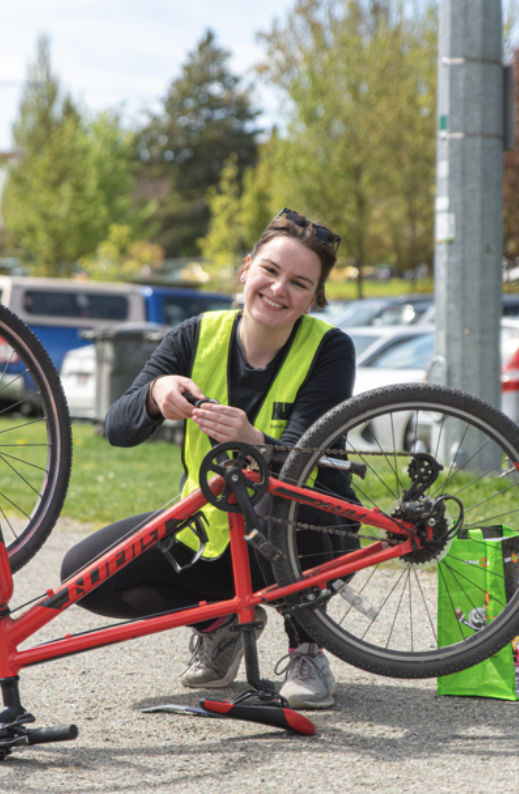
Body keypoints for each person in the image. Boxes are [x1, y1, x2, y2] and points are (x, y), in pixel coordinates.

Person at [60, 209, 357, 709]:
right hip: (213, 532)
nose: (279, 289)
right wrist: (155, 392)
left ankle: (307, 647)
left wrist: (255, 440)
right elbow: (118, 428)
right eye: (270, 271)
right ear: (246, 269)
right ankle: (220, 625)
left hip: (312, 532)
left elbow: (310, 454)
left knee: (273, 498)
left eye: (299, 283)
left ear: (314, 297)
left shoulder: (330, 349)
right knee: (83, 573)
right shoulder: (193, 336)